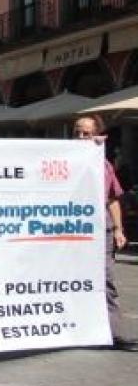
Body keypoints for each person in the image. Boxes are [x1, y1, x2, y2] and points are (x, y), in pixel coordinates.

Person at [73, 115, 138, 352]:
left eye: (86, 133)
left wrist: (120, 229)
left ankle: (115, 332)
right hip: (71, 232)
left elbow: (113, 199)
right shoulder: (63, 161)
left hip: (102, 231)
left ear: (98, 136)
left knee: (106, 280)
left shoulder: (105, 165)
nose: (81, 138)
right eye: (77, 133)